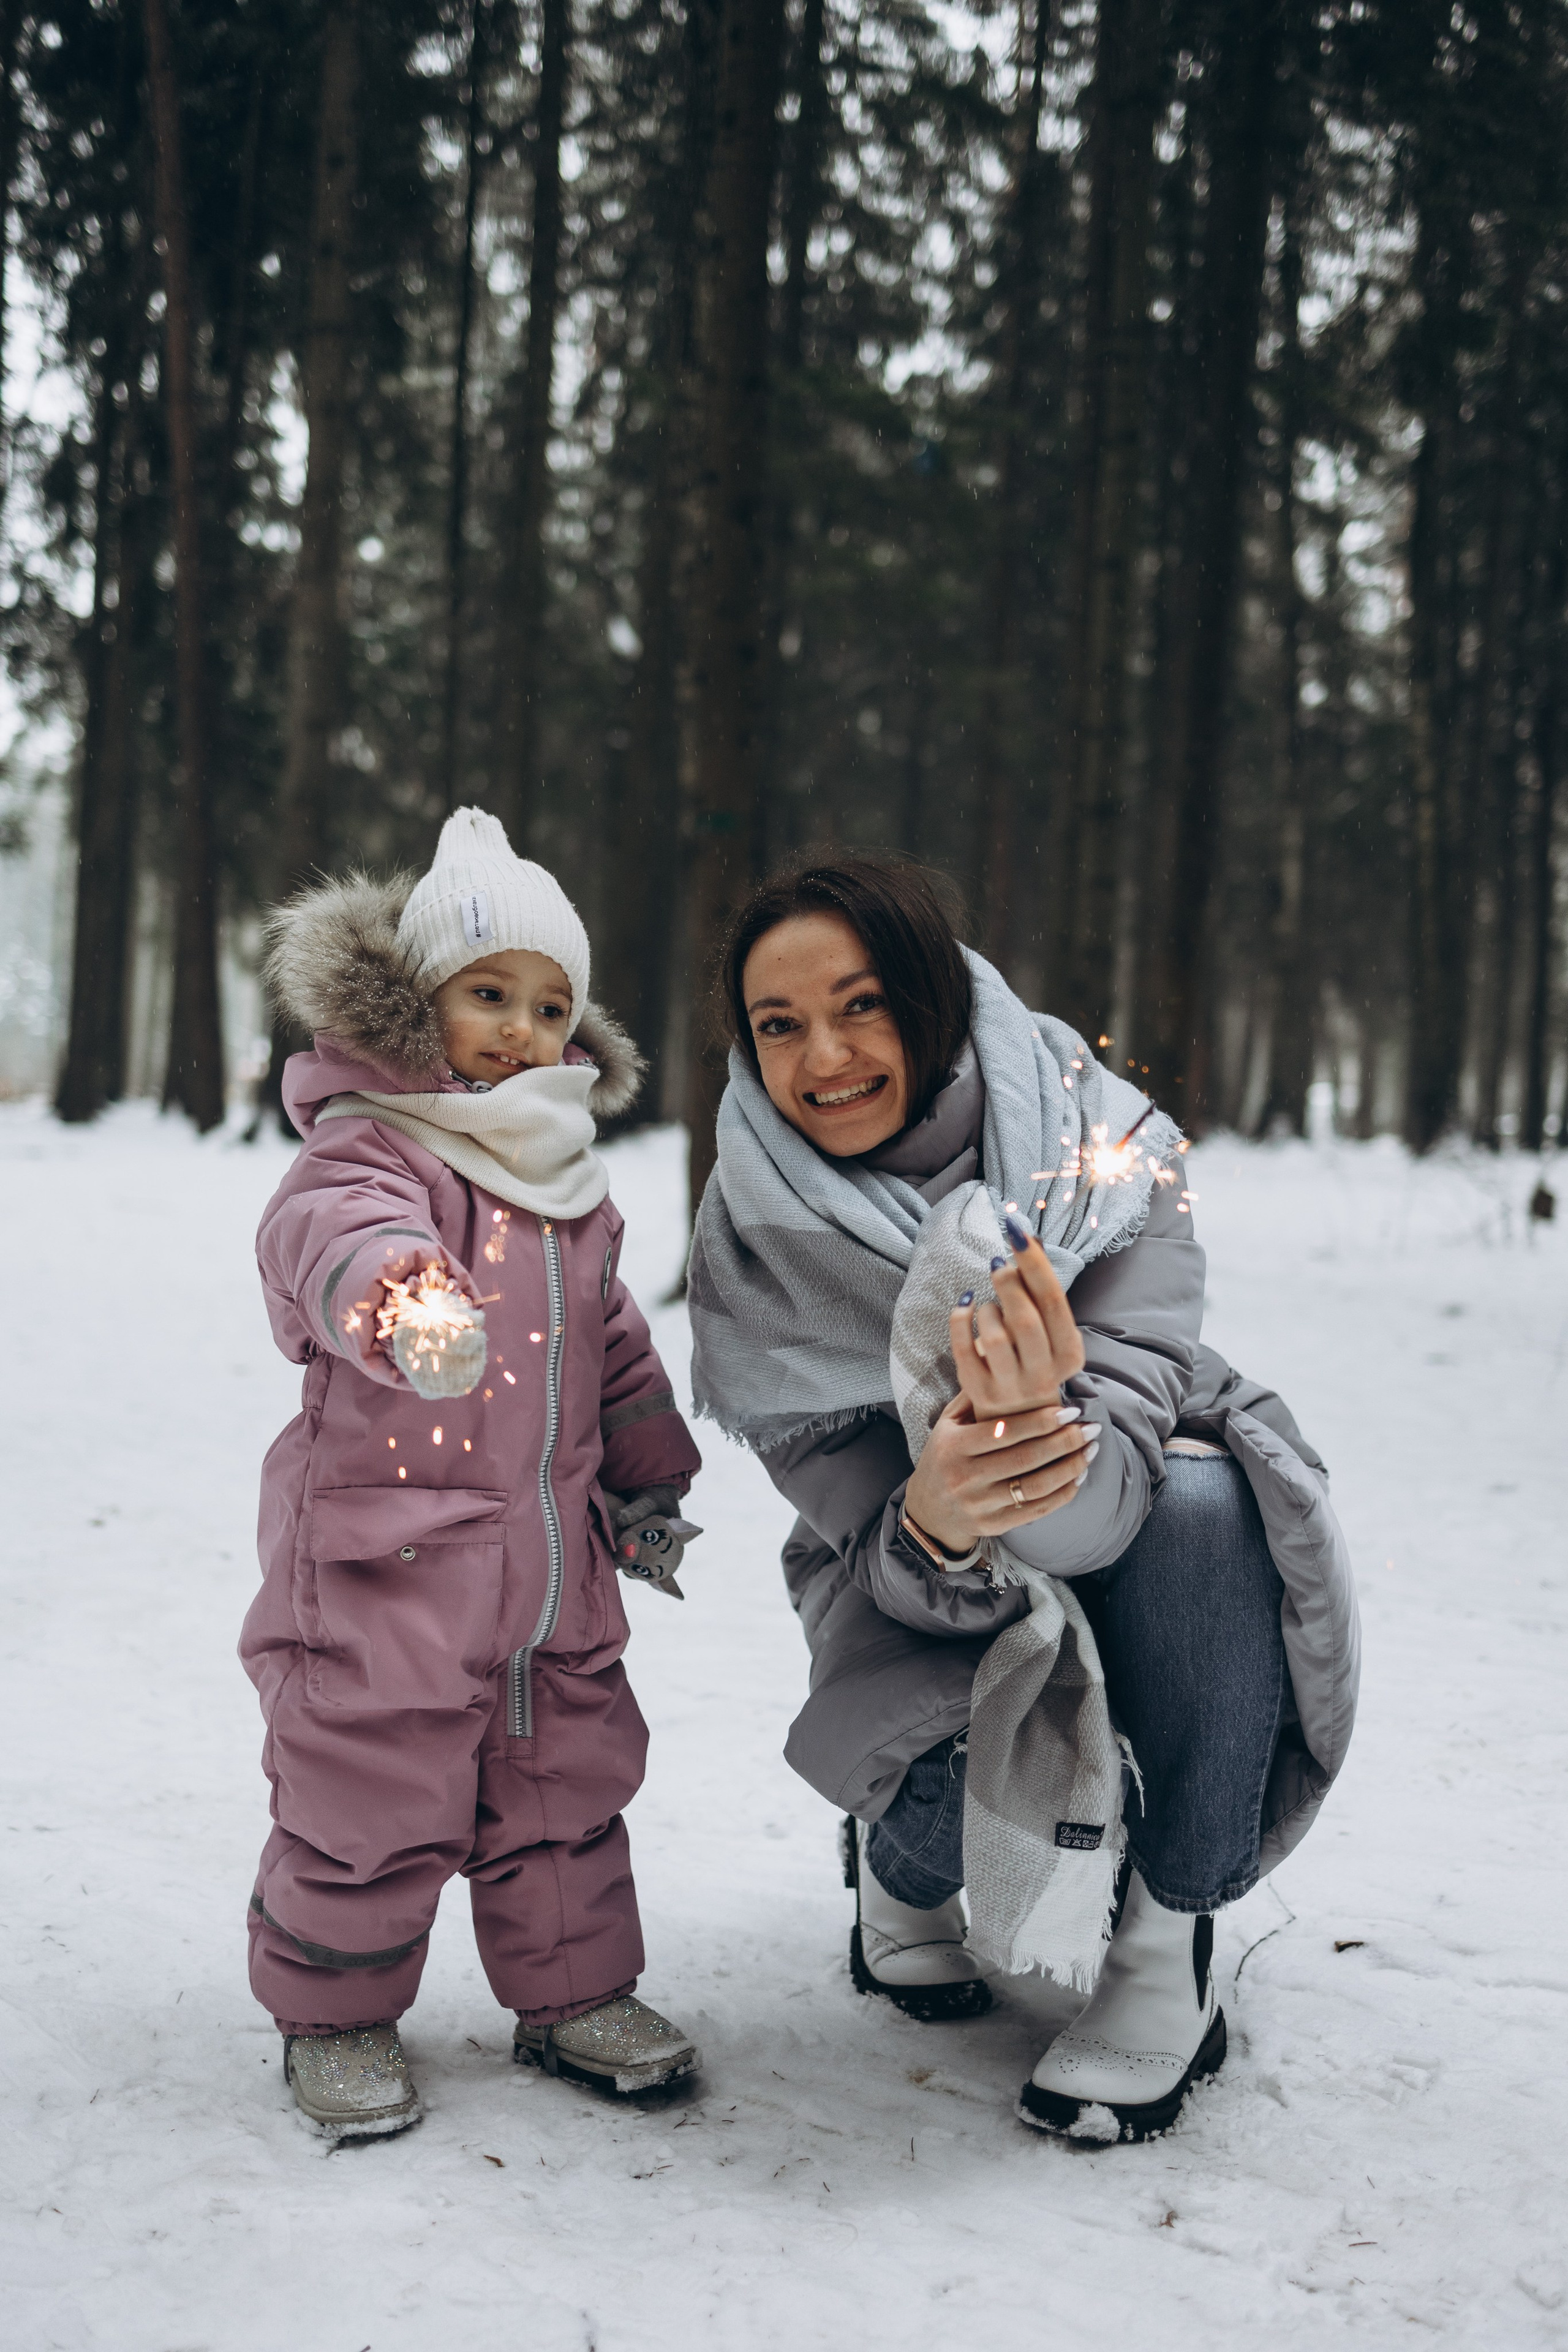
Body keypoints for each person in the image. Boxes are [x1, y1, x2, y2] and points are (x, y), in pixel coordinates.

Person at [688, 853, 1359, 2144]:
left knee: (1210, 1501)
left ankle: (1163, 1946)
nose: (823, 1057)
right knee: (949, 1795)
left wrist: (1027, 1430)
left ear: (934, 998)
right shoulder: (755, 1244)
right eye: (778, 1025)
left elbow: (1098, 1523)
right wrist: (937, 1515)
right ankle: (898, 1876)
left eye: (863, 1004)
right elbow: (872, 1555)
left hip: (1132, 1540)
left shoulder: (1107, 1164)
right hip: (920, 1606)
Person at [242, 807, 703, 2138]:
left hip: (552, 1572)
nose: (520, 1030)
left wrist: (647, 1478)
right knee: (367, 1787)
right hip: (391, 1560)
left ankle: (573, 1996)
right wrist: (408, 1303)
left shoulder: (568, 1184)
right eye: (487, 994)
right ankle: (335, 2013)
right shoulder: (374, 1144)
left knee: (566, 1786)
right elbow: (330, 1237)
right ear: (417, 1005)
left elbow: (613, 1345)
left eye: (550, 1007)